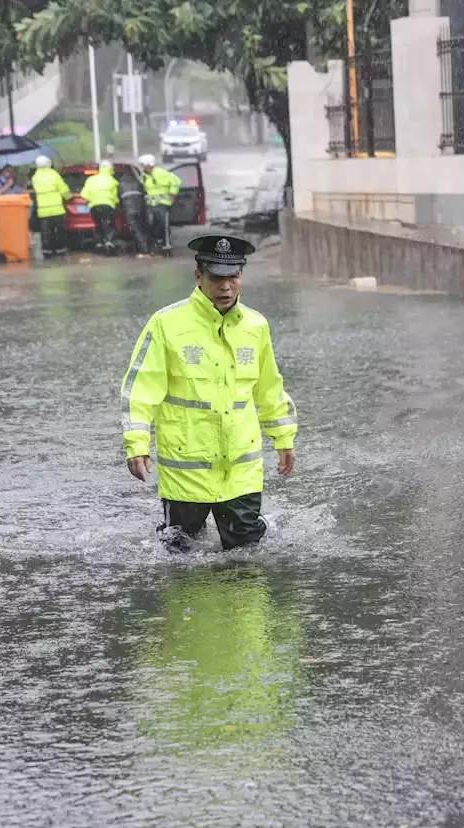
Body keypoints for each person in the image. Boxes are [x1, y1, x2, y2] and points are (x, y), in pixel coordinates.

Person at [120, 234, 298, 552]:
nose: (226, 286)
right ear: (198, 276)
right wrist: (137, 445)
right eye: (217, 277)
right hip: (186, 471)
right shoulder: (166, 324)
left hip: (240, 470)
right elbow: (140, 389)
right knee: (179, 553)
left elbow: (270, 388)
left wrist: (283, 438)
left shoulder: (256, 326)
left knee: (246, 553)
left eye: (234, 276)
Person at [30, 154, 74, 256]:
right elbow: (63, 189)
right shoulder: (54, 175)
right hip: (57, 210)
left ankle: (47, 251)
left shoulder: (35, 178)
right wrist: (69, 197)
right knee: (59, 231)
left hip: (43, 211)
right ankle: (60, 250)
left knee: (46, 232)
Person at [137, 154, 182, 252]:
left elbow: (176, 181)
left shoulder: (161, 173)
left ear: (148, 164)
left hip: (163, 203)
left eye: (142, 164)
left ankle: (166, 244)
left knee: (164, 224)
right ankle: (156, 243)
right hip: (150, 204)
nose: (141, 167)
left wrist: (173, 193)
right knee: (151, 224)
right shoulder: (143, 176)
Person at [80, 160, 120, 253]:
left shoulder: (91, 179)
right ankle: (109, 242)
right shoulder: (112, 180)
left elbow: (84, 195)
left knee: (98, 224)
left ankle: (99, 243)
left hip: (94, 206)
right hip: (108, 205)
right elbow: (115, 197)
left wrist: (94, 199)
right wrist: (117, 203)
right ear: (111, 169)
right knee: (108, 224)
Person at [118, 170, 152, 258]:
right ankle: (146, 248)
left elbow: (117, 199)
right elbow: (145, 194)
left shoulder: (119, 184)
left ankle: (144, 250)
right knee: (141, 228)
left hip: (129, 209)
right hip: (140, 208)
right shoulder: (138, 182)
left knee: (135, 228)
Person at [0, 165, 20, 255]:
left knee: (7, 230)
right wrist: (7, 185)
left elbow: (19, 191)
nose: (12, 174)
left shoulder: (10, 183)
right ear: (4, 172)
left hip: (8, 211)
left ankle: (6, 249)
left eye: (13, 172)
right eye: (10, 172)